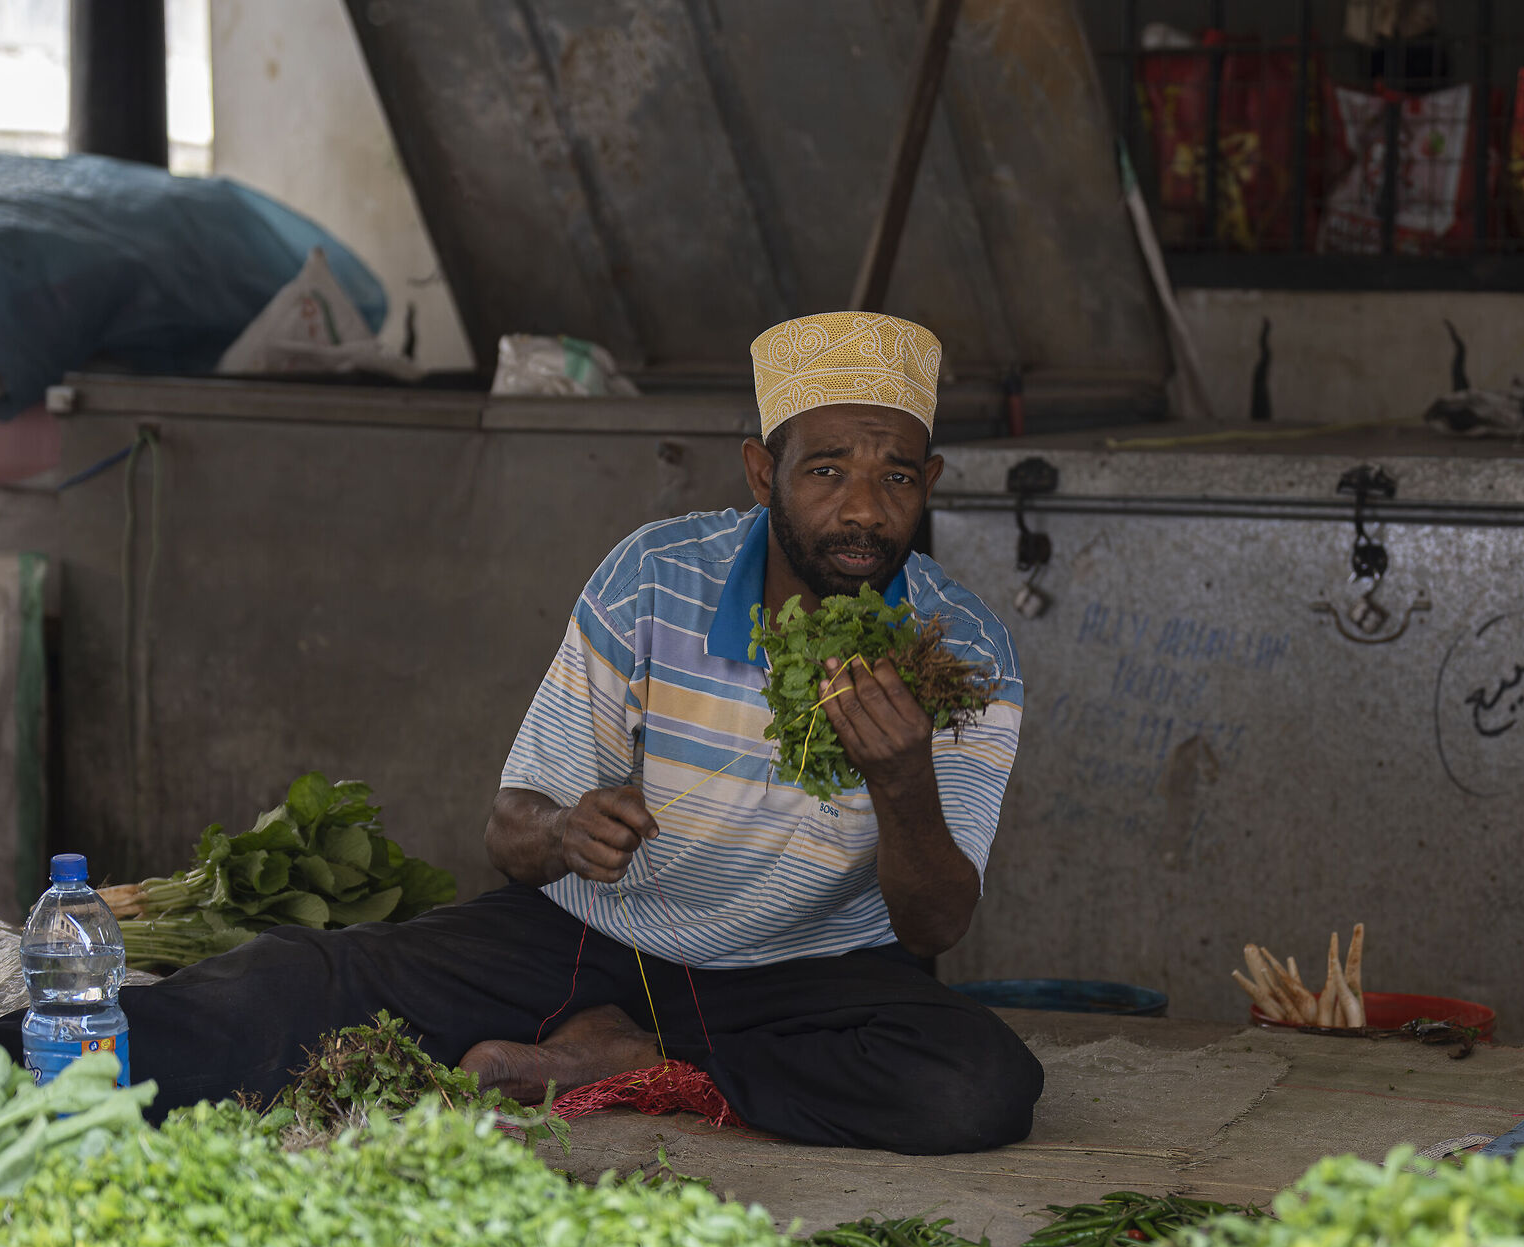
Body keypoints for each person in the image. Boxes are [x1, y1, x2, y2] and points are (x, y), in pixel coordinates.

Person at [110, 312, 1043, 1154]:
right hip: (604, 939)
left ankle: (630, 1059)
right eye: (827, 470)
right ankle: (17, 1054)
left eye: (897, 476)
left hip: (807, 971)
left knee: (979, 1088)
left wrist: (904, 780)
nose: (865, 511)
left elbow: (936, 923)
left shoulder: (962, 652)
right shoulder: (653, 577)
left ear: (932, 483)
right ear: (764, 472)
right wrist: (564, 833)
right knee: (310, 978)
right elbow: (508, 832)